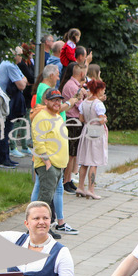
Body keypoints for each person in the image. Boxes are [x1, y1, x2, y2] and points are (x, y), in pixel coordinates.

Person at [31, 89, 78, 235]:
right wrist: (46, 161)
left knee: (50, 196)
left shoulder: (57, 116)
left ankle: (46, 227)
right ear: (46, 101)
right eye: (54, 100)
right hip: (48, 165)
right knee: (44, 199)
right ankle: (38, 230)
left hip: (59, 165)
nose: (57, 103)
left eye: (59, 100)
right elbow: (38, 141)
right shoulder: (42, 117)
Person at [75, 78, 108, 199]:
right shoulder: (98, 104)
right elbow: (100, 119)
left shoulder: (84, 103)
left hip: (86, 130)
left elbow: (81, 119)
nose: (103, 92)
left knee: (84, 161)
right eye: (103, 90)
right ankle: (91, 189)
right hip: (96, 132)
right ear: (98, 90)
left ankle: (80, 186)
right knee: (94, 161)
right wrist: (105, 119)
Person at [60, 62, 87, 193]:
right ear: (82, 73)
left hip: (75, 121)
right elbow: (80, 106)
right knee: (70, 154)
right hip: (72, 121)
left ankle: (68, 179)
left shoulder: (76, 86)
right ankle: (65, 181)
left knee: (73, 153)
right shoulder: (72, 87)